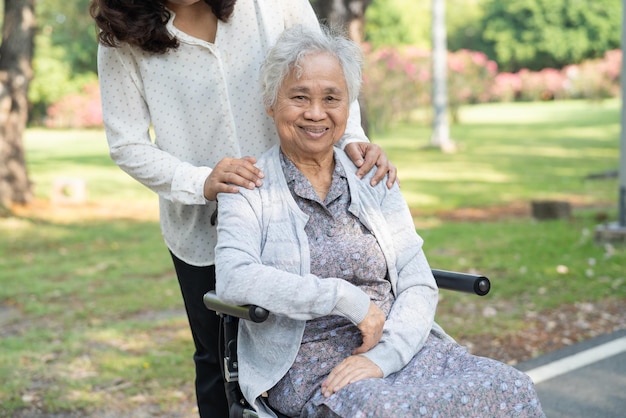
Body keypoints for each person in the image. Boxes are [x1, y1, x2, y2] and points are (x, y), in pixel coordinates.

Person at [215, 25, 546, 418]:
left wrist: (385, 357)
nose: (316, 113)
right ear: (271, 103)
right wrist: (345, 299)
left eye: (331, 98)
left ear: (348, 105)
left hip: (399, 346)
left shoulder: (371, 175)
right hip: (307, 364)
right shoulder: (249, 184)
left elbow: (417, 279)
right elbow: (234, 278)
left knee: (510, 386)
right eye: (299, 97)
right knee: (385, 410)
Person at [89, 1, 396, 416]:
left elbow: (325, 62)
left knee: (322, 342)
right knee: (220, 363)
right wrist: (198, 181)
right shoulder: (121, 37)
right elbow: (127, 144)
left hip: (305, 212)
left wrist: (352, 137)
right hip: (203, 232)